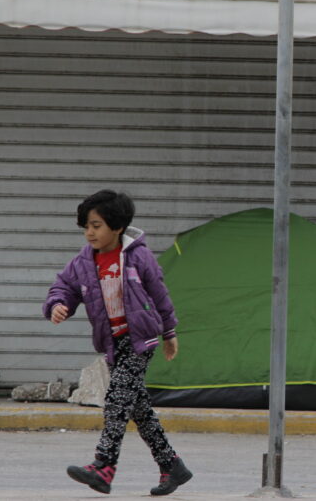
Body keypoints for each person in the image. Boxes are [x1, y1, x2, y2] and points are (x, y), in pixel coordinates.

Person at [43, 189, 193, 496]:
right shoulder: (83, 262)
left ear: (118, 226)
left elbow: (160, 294)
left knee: (116, 399)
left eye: (96, 225)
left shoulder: (138, 256)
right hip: (112, 343)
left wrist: (170, 333)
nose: (89, 232)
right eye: (86, 226)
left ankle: (104, 466)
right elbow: (64, 287)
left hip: (140, 340)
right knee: (138, 408)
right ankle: (172, 465)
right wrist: (58, 305)